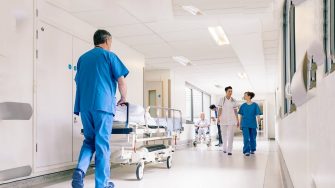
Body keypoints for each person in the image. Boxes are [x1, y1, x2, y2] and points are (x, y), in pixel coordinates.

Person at [72, 29, 129, 188]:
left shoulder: (82, 59)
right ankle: (102, 184)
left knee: (89, 141)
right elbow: (121, 81)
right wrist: (123, 98)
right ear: (107, 41)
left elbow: (79, 81)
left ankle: (80, 171)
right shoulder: (110, 56)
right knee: (102, 144)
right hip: (103, 106)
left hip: (85, 106)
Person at [238, 92, 262, 156]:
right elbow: (241, 116)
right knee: (246, 138)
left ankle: (252, 149)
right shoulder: (243, 105)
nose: (244, 96)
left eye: (245, 95)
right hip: (245, 124)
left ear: (249, 96)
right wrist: (240, 124)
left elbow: (258, 114)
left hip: (253, 124)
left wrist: (259, 122)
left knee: (253, 138)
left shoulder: (255, 105)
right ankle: (246, 151)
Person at [217, 86, 239, 155]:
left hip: (232, 120)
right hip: (223, 119)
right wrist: (218, 118)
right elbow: (220, 109)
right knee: (224, 135)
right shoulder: (222, 99)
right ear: (226, 92)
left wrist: (237, 119)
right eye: (229, 91)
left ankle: (229, 150)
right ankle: (224, 148)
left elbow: (235, 111)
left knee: (231, 135)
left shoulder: (234, 100)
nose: (230, 92)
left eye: (231, 91)